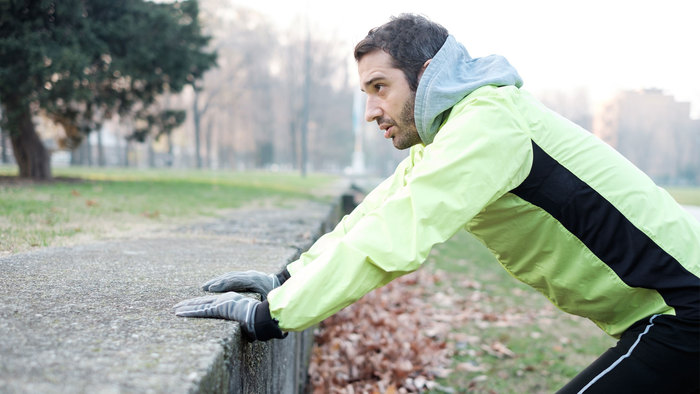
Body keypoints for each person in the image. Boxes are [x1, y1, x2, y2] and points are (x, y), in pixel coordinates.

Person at [174, 14, 700, 393]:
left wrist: (273, 316)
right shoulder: (463, 129)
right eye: (366, 92)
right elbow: (379, 211)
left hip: (684, 315)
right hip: (662, 316)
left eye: (380, 87)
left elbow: (399, 234)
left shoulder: (488, 126)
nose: (371, 111)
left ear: (427, 75)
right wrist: (289, 279)